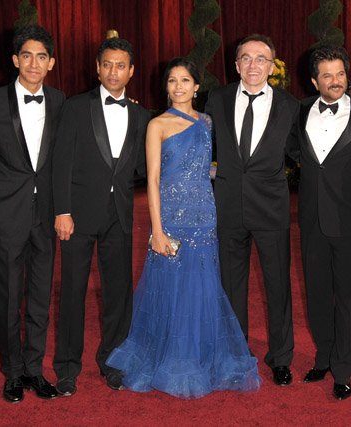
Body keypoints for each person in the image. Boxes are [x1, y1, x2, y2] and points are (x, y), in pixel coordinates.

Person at [106, 57, 262, 399]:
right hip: (172, 219)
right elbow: (153, 180)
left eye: (185, 80)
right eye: (172, 81)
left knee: (203, 287)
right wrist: (157, 230)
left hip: (204, 215)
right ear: (166, 87)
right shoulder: (157, 124)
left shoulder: (206, 122)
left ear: (196, 86)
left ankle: (201, 355)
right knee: (171, 287)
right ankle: (171, 357)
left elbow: (203, 167)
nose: (178, 86)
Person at [0, 25, 65, 403]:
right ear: (15, 60)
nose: (34, 63)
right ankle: (13, 372)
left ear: (51, 63)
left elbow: (64, 160)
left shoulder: (60, 100)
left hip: (47, 215)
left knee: (40, 298)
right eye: (26, 56)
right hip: (4, 214)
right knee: (8, 299)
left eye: (41, 57)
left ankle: (35, 369)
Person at [52, 37, 150, 397]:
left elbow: (144, 167)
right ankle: (67, 368)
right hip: (77, 216)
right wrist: (62, 210)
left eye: (121, 65)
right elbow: (61, 162)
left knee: (118, 296)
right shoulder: (76, 107)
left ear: (131, 71)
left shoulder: (141, 115)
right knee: (72, 293)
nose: (113, 71)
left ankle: (113, 362)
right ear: (97, 68)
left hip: (120, 216)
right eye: (107, 64)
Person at [205, 34, 299, 386]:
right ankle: (235, 353)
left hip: (271, 208)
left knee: (278, 286)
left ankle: (281, 357)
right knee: (231, 286)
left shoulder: (290, 105)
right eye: (246, 58)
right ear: (236, 65)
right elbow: (200, 143)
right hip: (228, 205)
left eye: (261, 59)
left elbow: (303, 152)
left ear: (272, 67)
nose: (253, 64)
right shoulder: (217, 98)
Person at [287, 46, 351, 400]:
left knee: (347, 296)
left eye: (340, 73)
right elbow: (292, 147)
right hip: (311, 218)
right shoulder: (298, 111)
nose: (335, 81)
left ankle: (343, 368)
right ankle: (323, 356)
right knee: (317, 293)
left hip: (348, 219)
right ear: (315, 81)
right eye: (327, 75)